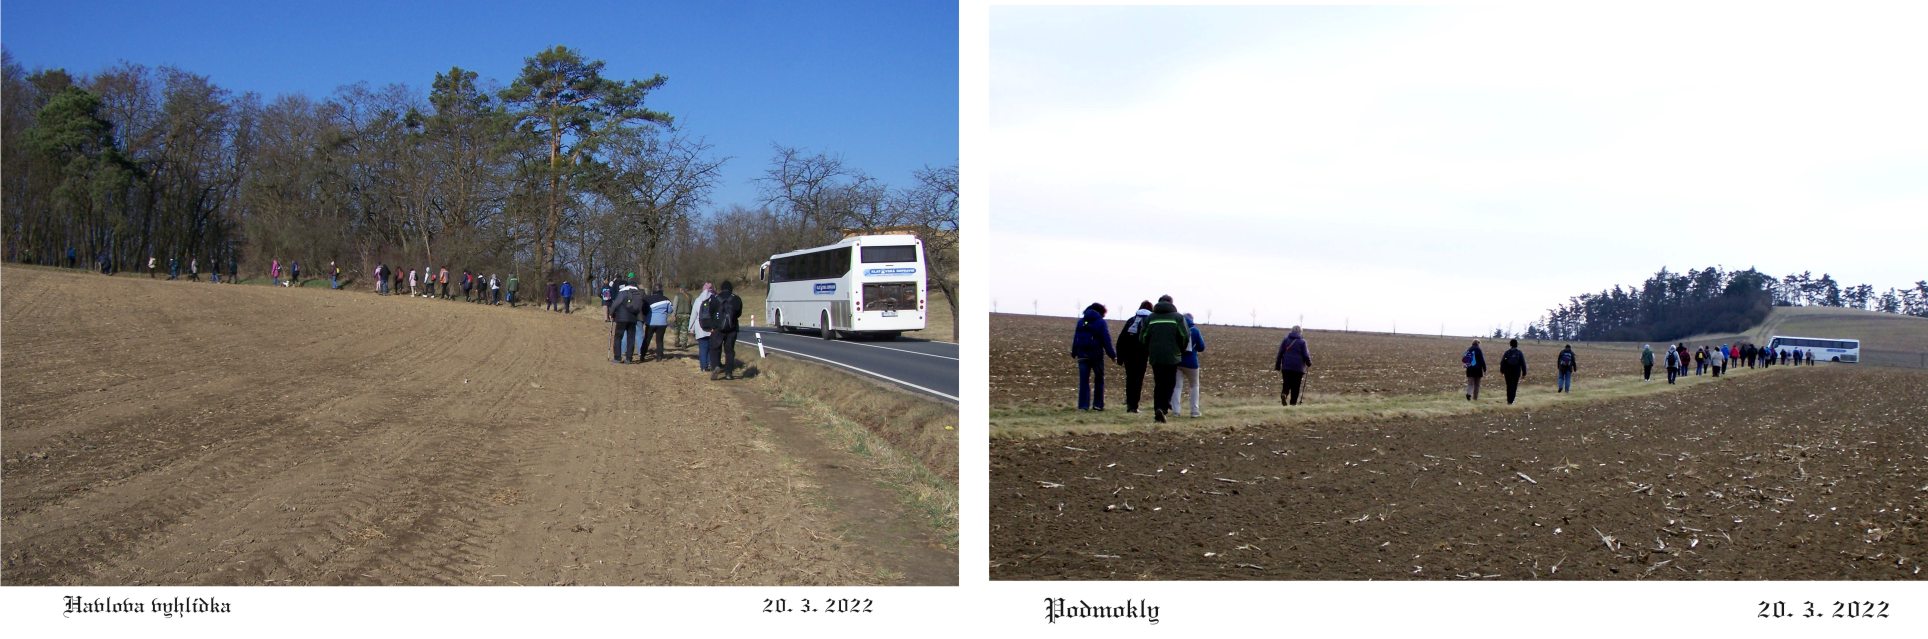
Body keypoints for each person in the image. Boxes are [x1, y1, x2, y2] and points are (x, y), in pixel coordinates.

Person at [1139, 296, 1188, 423]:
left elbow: (1143, 337)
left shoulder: (1151, 318)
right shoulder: (1178, 317)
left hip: (1156, 356)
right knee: (1170, 383)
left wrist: (1149, 349)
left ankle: (1158, 409)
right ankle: (1164, 408)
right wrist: (1180, 350)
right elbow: (1184, 336)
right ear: (1171, 303)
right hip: (1172, 356)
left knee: (1159, 383)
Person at [1070, 302, 1116, 411]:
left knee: (1084, 381)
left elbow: (1076, 338)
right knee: (1099, 380)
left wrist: (1074, 351)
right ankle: (1098, 405)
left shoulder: (1081, 322)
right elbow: (1106, 340)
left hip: (1082, 355)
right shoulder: (1101, 322)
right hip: (1096, 356)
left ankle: (1083, 406)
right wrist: (1112, 355)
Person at [1114, 301, 1153, 413]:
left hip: (1128, 356)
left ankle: (1130, 404)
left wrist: (1120, 357)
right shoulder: (1150, 321)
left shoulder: (1131, 320)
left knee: (1130, 379)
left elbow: (1121, 339)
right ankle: (1134, 406)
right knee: (1138, 380)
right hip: (1141, 356)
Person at [1171, 313, 1207, 418]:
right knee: (1194, 386)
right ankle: (1194, 411)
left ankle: (1176, 411)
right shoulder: (1195, 330)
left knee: (1177, 387)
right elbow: (1201, 347)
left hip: (1177, 362)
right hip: (1192, 363)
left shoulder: (1177, 329)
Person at [712, 281, 744, 380]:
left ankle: (716, 365)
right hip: (732, 328)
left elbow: (711, 312)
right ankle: (729, 373)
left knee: (716, 348)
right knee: (729, 351)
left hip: (718, 328)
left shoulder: (715, 299)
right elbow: (739, 314)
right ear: (731, 288)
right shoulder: (737, 299)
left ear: (721, 288)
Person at [1274, 325, 1312, 406]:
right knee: (1296, 386)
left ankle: (1284, 394)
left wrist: (1278, 365)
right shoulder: (1302, 342)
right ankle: (1293, 404)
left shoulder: (1286, 340)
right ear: (1300, 332)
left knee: (1286, 383)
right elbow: (1305, 355)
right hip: (1298, 368)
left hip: (1286, 367)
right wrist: (1308, 363)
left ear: (1291, 331)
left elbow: (1280, 353)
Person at [610, 279, 642, 364]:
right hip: (633, 318)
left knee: (618, 337)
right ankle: (629, 358)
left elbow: (615, 304)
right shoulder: (638, 293)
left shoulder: (623, 292)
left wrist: (611, 313)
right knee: (631, 338)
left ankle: (617, 357)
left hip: (621, 318)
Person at [642, 287, 672, 362]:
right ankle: (659, 357)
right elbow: (670, 310)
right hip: (662, 323)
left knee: (647, 339)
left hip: (650, 322)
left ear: (653, 291)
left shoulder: (648, 299)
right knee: (659, 340)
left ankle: (642, 355)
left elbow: (644, 310)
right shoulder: (666, 299)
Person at [689, 283, 715, 372]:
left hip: (700, 327)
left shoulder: (698, 300)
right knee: (711, 348)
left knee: (703, 348)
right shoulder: (715, 299)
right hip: (712, 328)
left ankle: (703, 367)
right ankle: (711, 364)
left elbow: (693, 315)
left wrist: (691, 328)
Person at [1501, 339, 1529, 404]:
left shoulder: (1507, 352)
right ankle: (1512, 400)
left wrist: (1502, 370)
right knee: (1514, 386)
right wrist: (1524, 373)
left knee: (1508, 386)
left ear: (1510, 344)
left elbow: (1502, 362)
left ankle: (1508, 400)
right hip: (1516, 372)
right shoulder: (1519, 353)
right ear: (1517, 344)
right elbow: (1523, 363)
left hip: (1507, 372)